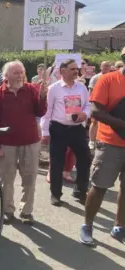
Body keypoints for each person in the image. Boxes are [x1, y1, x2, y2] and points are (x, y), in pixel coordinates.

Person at [0, 60, 47, 225]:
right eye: (16, 72)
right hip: (6, 144)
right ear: (6, 76)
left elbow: (41, 111)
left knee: (30, 179)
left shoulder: (31, 89)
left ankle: (26, 211)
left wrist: (43, 96)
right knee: (6, 180)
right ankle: (7, 210)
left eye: (21, 72)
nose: (20, 75)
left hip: (30, 142)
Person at [80, 48, 125, 245]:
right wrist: (122, 124)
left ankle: (119, 227)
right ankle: (87, 225)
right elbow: (96, 111)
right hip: (110, 142)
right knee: (99, 186)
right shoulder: (108, 80)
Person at [41, 59, 91, 206]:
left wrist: (85, 114)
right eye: (72, 69)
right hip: (58, 128)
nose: (76, 71)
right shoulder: (54, 88)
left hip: (77, 129)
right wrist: (44, 131)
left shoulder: (81, 87)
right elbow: (47, 111)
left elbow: (88, 105)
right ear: (63, 71)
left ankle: (80, 190)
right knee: (57, 162)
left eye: (77, 69)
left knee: (85, 159)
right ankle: (56, 194)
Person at [88, 61, 112, 150]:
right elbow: (91, 92)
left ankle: (103, 141)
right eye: (104, 66)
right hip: (97, 104)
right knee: (94, 122)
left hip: (109, 105)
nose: (106, 68)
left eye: (108, 66)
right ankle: (91, 140)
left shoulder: (113, 77)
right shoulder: (95, 78)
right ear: (100, 67)